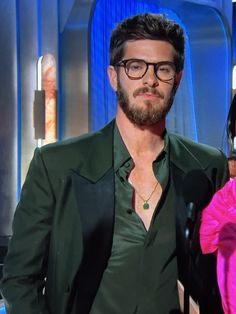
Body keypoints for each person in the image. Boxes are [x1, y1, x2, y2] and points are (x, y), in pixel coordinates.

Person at [0, 13, 229, 314]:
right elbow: (19, 280)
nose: (150, 79)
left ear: (178, 78)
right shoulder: (56, 166)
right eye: (135, 67)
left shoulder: (207, 166)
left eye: (163, 68)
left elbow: (223, 276)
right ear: (113, 76)